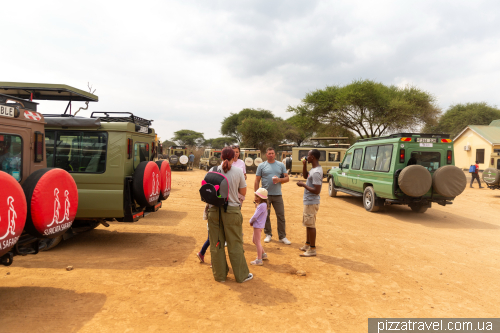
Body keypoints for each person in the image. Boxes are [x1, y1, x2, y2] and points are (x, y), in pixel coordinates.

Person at [208, 147, 253, 283]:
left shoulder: (212, 170)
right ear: (234, 158)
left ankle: (220, 275)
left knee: (216, 243)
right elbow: (243, 193)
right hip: (232, 211)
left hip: (214, 211)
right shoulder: (238, 171)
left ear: (220, 157)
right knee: (235, 243)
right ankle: (241, 275)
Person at [254, 147, 291, 245]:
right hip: (265, 196)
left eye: (272, 153)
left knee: (281, 215)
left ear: (275, 154)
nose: (271, 155)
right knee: (266, 216)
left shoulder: (280, 165)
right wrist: (256, 195)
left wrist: (279, 180)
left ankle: (282, 236)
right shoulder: (261, 166)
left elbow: (287, 178)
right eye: (269, 153)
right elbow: (257, 180)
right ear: (266, 155)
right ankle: (268, 234)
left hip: (278, 194)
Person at [296, 149, 322, 257]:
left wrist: (303, 185)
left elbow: (317, 191)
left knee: (311, 225)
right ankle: (307, 244)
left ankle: (312, 249)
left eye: (308, 155)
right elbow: (305, 175)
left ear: (313, 157)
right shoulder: (313, 169)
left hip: (312, 202)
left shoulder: (316, 172)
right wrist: (304, 164)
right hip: (308, 201)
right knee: (308, 223)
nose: (307, 157)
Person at [249, 188, 269, 266]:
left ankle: (259, 259)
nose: (255, 198)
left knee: (257, 242)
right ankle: (263, 254)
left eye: (257, 197)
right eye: (255, 196)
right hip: (258, 225)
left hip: (258, 226)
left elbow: (255, 216)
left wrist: (250, 221)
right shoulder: (263, 205)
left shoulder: (261, 206)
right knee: (255, 241)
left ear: (262, 198)